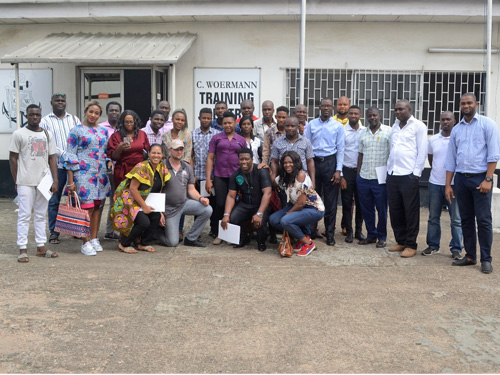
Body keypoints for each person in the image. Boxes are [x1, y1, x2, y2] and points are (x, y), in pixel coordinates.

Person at [445, 93, 500, 274]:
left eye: (469, 103)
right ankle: (469, 256)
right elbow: (451, 159)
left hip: (480, 179)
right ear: (460, 105)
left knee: (483, 220)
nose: (466, 106)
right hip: (461, 179)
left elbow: (493, 154)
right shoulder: (457, 129)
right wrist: (448, 184)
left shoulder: (487, 124)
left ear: (476, 104)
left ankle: (486, 259)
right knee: (466, 219)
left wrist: (488, 179)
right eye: (463, 103)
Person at [9, 104, 59, 263]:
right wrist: (16, 180)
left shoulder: (47, 134)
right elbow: (13, 158)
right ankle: (22, 249)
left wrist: (55, 180)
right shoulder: (19, 134)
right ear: (26, 116)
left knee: (40, 215)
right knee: (24, 215)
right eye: (31, 115)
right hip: (25, 181)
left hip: (44, 181)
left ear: (41, 115)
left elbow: (52, 158)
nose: (35, 117)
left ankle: (40, 247)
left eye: (37, 114)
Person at [62, 100, 111, 256]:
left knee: (98, 207)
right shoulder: (76, 130)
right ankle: (85, 241)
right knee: (86, 209)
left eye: (97, 113)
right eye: (91, 112)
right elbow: (70, 155)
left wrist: (109, 163)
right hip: (83, 174)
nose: (93, 115)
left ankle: (94, 238)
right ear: (85, 111)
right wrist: (70, 181)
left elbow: (105, 152)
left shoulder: (103, 131)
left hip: (100, 175)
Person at [110, 144, 170, 253]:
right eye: (153, 153)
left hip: (146, 200)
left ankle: (144, 243)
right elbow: (133, 189)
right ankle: (124, 244)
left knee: (156, 216)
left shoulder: (162, 167)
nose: (156, 155)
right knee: (144, 222)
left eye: (159, 153)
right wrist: (144, 206)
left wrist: (159, 210)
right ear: (148, 154)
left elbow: (159, 188)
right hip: (130, 200)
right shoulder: (142, 166)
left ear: (162, 155)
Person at [386, 99, 427, 257]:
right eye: (396, 109)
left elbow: (422, 151)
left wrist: (416, 173)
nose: (398, 112)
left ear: (409, 109)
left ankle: (411, 244)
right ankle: (401, 241)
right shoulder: (395, 126)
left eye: (401, 109)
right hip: (393, 174)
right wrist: (389, 168)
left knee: (410, 211)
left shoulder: (418, 126)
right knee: (395, 210)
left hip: (409, 175)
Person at [40, 93, 80, 245]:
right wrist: (65, 154)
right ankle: (54, 233)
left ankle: (75, 230)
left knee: (74, 199)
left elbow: (78, 139)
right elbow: (45, 142)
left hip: (73, 168)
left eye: (63, 100)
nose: (60, 103)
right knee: (54, 200)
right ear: (51, 102)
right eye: (57, 100)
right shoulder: (45, 121)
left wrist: (73, 157)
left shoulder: (74, 119)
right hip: (55, 167)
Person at [156, 139, 212, 247]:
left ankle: (191, 238)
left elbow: (191, 189)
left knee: (207, 209)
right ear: (170, 150)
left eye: (181, 149)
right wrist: (159, 212)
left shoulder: (187, 167)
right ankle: (155, 233)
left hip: (183, 204)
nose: (179, 152)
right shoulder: (162, 166)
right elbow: (158, 190)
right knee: (172, 242)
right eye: (176, 149)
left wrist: (201, 199)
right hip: (168, 209)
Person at [304, 98, 344, 246]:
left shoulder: (338, 126)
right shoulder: (311, 124)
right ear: (319, 108)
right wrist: (306, 169)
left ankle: (330, 233)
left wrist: (338, 170)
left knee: (330, 201)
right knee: (312, 199)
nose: (326, 108)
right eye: (323, 106)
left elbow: (341, 149)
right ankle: (311, 231)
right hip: (314, 163)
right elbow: (306, 147)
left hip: (330, 163)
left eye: (328, 106)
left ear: (332, 108)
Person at [423, 111, 463, 259]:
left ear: (454, 121)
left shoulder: (458, 139)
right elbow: (431, 158)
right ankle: (433, 246)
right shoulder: (433, 139)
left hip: (454, 185)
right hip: (435, 183)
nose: (445, 122)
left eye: (448, 119)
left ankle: (456, 248)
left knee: (456, 219)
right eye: (443, 119)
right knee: (433, 217)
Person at [269, 151, 325, 256]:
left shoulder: (301, 175)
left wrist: (288, 213)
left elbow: (301, 203)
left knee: (285, 220)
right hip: (299, 207)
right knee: (273, 220)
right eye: (285, 163)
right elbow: (273, 182)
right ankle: (301, 238)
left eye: (290, 162)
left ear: (296, 163)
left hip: (313, 208)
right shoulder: (284, 177)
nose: (287, 165)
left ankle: (308, 243)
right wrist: (268, 169)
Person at [206, 111, 246, 245]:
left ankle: (233, 234)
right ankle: (219, 233)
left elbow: (245, 160)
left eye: (230, 123)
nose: (228, 125)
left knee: (237, 205)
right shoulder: (216, 138)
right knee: (220, 204)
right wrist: (208, 179)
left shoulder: (241, 140)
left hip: (236, 177)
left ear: (235, 123)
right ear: (221, 124)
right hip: (219, 175)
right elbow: (210, 158)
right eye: (225, 123)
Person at [221, 148, 272, 251]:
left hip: (260, 204)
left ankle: (261, 241)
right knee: (233, 218)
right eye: (241, 159)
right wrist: (226, 214)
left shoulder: (261, 171)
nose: (244, 162)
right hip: (245, 204)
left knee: (260, 222)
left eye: (246, 159)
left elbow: (267, 193)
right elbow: (231, 196)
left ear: (252, 159)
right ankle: (244, 238)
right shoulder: (236, 174)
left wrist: (260, 213)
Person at [356, 107, 391, 248]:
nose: (372, 118)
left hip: (381, 178)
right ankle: (371, 235)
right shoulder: (363, 133)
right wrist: (358, 173)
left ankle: (382, 236)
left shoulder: (389, 132)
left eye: (375, 115)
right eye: (370, 116)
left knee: (381, 209)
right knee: (367, 209)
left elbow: (392, 154)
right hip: (364, 176)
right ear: (366, 117)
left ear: (380, 116)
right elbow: (360, 154)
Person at [191, 107, 220, 238]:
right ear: (199, 118)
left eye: (209, 118)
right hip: (197, 176)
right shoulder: (192, 134)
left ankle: (214, 230)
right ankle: (196, 232)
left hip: (212, 177)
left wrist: (214, 176)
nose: (206, 120)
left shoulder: (217, 134)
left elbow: (218, 156)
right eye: (204, 118)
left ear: (211, 119)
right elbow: (190, 156)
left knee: (213, 205)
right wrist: (192, 176)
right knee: (198, 206)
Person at [340, 106, 366, 243]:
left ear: (360, 115)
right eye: (351, 113)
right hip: (347, 170)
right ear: (348, 115)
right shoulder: (342, 132)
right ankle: (348, 231)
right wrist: (342, 175)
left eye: (356, 113)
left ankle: (358, 231)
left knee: (361, 203)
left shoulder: (365, 131)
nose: (353, 115)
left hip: (361, 171)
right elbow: (339, 153)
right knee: (347, 203)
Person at [107, 110, 150, 189]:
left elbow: (148, 151)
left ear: (135, 122)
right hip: (123, 171)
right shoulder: (116, 136)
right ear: (122, 123)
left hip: (139, 170)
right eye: (126, 122)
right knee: (123, 197)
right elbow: (113, 157)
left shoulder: (142, 134)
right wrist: (119, 148)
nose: (129, 124)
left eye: (131, 122)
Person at [99, 101, 122, 240]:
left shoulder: (123, 129)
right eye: (111, 110)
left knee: (115, 200)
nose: (114, 112)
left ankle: (109, 231)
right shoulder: (100, 128)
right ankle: (91, 232)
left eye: (117, 110)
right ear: (107, 112)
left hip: (117, 169)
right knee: (100, 201)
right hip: (101, 169)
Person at [270, 116, 315, 183]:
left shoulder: (306, 142)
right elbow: (274, 162)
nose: (289, 128)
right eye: (287, 126)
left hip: (302, 179)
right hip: (284, 179)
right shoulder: (277, 142)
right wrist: (274, 179)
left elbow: (310, 161)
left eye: (292, 126)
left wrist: (313, 181)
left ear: (297, 127)